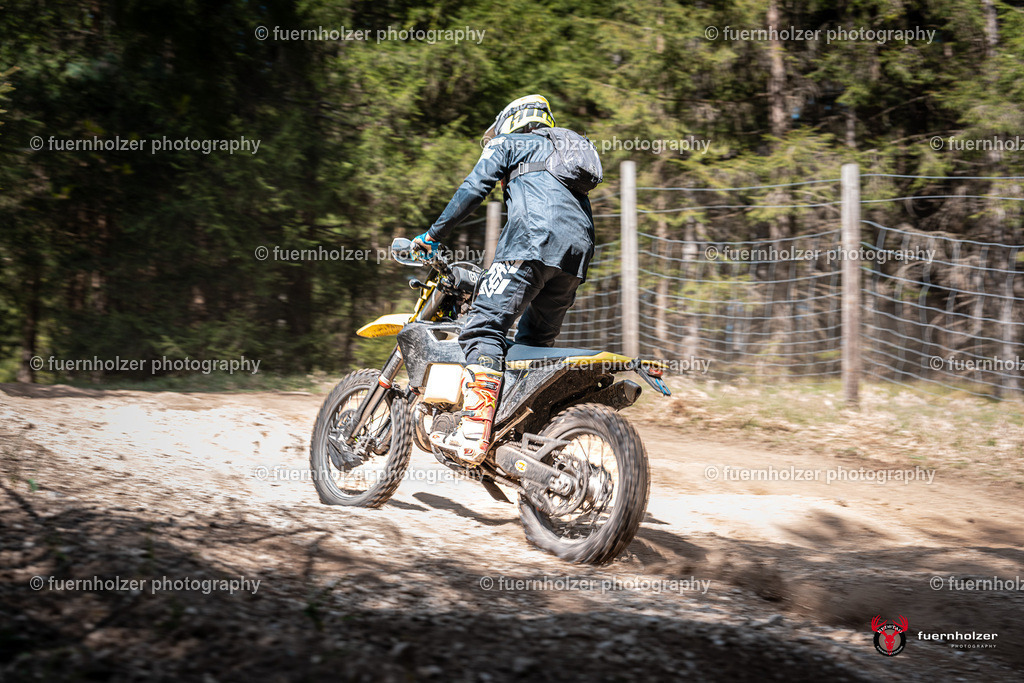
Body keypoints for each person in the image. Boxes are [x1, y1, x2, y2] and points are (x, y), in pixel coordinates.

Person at [410, 94, 596, 464]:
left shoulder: (509, 142)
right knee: (533, 348)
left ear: (512, 120)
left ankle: (475, 428)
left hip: (530, 244)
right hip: (577, 255)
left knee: (482, 329)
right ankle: (527, 434)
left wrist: (432, 235)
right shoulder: (563, 154)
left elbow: (473, 188)